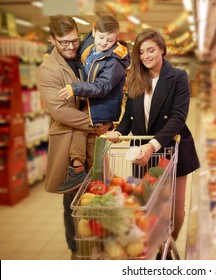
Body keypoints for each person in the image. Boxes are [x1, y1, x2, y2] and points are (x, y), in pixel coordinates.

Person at [106, 28, 200, 256]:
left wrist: (153, 145)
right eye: (141, 52)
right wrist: (118, 131)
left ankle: (167, 248)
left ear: (162, 50)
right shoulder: (136, 79)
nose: (146, 56)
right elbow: (129, 117)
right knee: (147, 206)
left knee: (176, 212)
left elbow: (178, 117)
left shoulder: (178, 77)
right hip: (142, 154)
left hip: (170, 149)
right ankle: (152, 244)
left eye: (151, 50)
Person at [36, 15, 110, 259]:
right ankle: (77, 250)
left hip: (91, 140)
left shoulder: (84, 56)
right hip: (68, 140)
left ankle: (98, 241)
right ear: (52, 40)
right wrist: (94, 123)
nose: (70, 47)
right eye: (63, 42)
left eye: (73, 40)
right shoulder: (47, 70)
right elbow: (60, 110)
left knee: (98, 191)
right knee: (73, 199)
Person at [57, 15, 130, 193]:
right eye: (101, 37)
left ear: (117, 38)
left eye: (110, 40)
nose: (104, 43)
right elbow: (68, 44)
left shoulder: (114, 61)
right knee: (81, 135)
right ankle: (80, 173)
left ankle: (93, 181)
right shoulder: (89, 46)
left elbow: (103, 87)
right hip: (89, 107)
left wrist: (76, 88)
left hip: (101, 111)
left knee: (93, 150)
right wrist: (50, 51)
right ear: (94, 32)